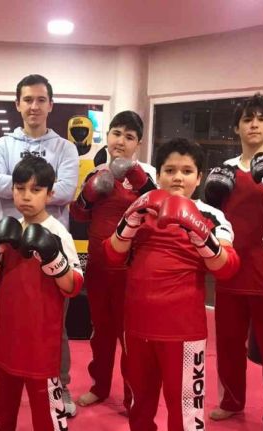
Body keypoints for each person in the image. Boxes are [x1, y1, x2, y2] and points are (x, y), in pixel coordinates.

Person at [105, 138, 241, 431]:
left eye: (187, 171)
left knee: (186, 409)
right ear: (158, 174)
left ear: (199, 177)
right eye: (170, 170)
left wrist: (200, 233)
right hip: (137, 325)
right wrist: (130, 221)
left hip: (183, 330)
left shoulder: (211, 215)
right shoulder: (142, 209)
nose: (178, 177)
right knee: (139, 406)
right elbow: (112, 255)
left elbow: (227, 267)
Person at [0, 74, 79, 415]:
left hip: (50, 240)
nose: (34, 106)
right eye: (28, 99)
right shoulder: (3, 144)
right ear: (18, 104)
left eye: (40, 100)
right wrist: (33, 183)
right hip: (9, 242)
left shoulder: (65, 147)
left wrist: (20, 181)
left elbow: (65, 190)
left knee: (55, 323)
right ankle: (4, 389)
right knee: (9, 320)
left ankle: (61, 387)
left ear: (50, 105)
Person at [203, 94, 263, 429]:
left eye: (261, 119)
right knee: (229, 344)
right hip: (231, 270)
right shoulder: (225, 170)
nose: (254, 125)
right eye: (247, 119)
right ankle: (231, 401)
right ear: (237, 127)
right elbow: (212, 219)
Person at [0, 155, 83, 431]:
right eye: (20, 188)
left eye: (35, 190)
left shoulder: (58, 233)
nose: (26, 196)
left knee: (46, 411)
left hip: (42, 343)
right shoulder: (7, 230)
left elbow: (73, 286)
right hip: (8, 337)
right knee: (4, 405)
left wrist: (53, 258)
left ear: (50, 194)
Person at [69, 111, 156, 409]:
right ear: (107, 136)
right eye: (116, 133)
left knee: (129, 335)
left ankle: (133, 396)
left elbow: (158, 212)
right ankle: (100, 387)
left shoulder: (147, 175)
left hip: (130, 269)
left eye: (129, 137)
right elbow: (79, 216)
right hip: (98, 266)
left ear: (138, 143)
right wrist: (89, 194)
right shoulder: (96, 172)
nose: (121, 141)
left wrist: (139, 180)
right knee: (100, 331)